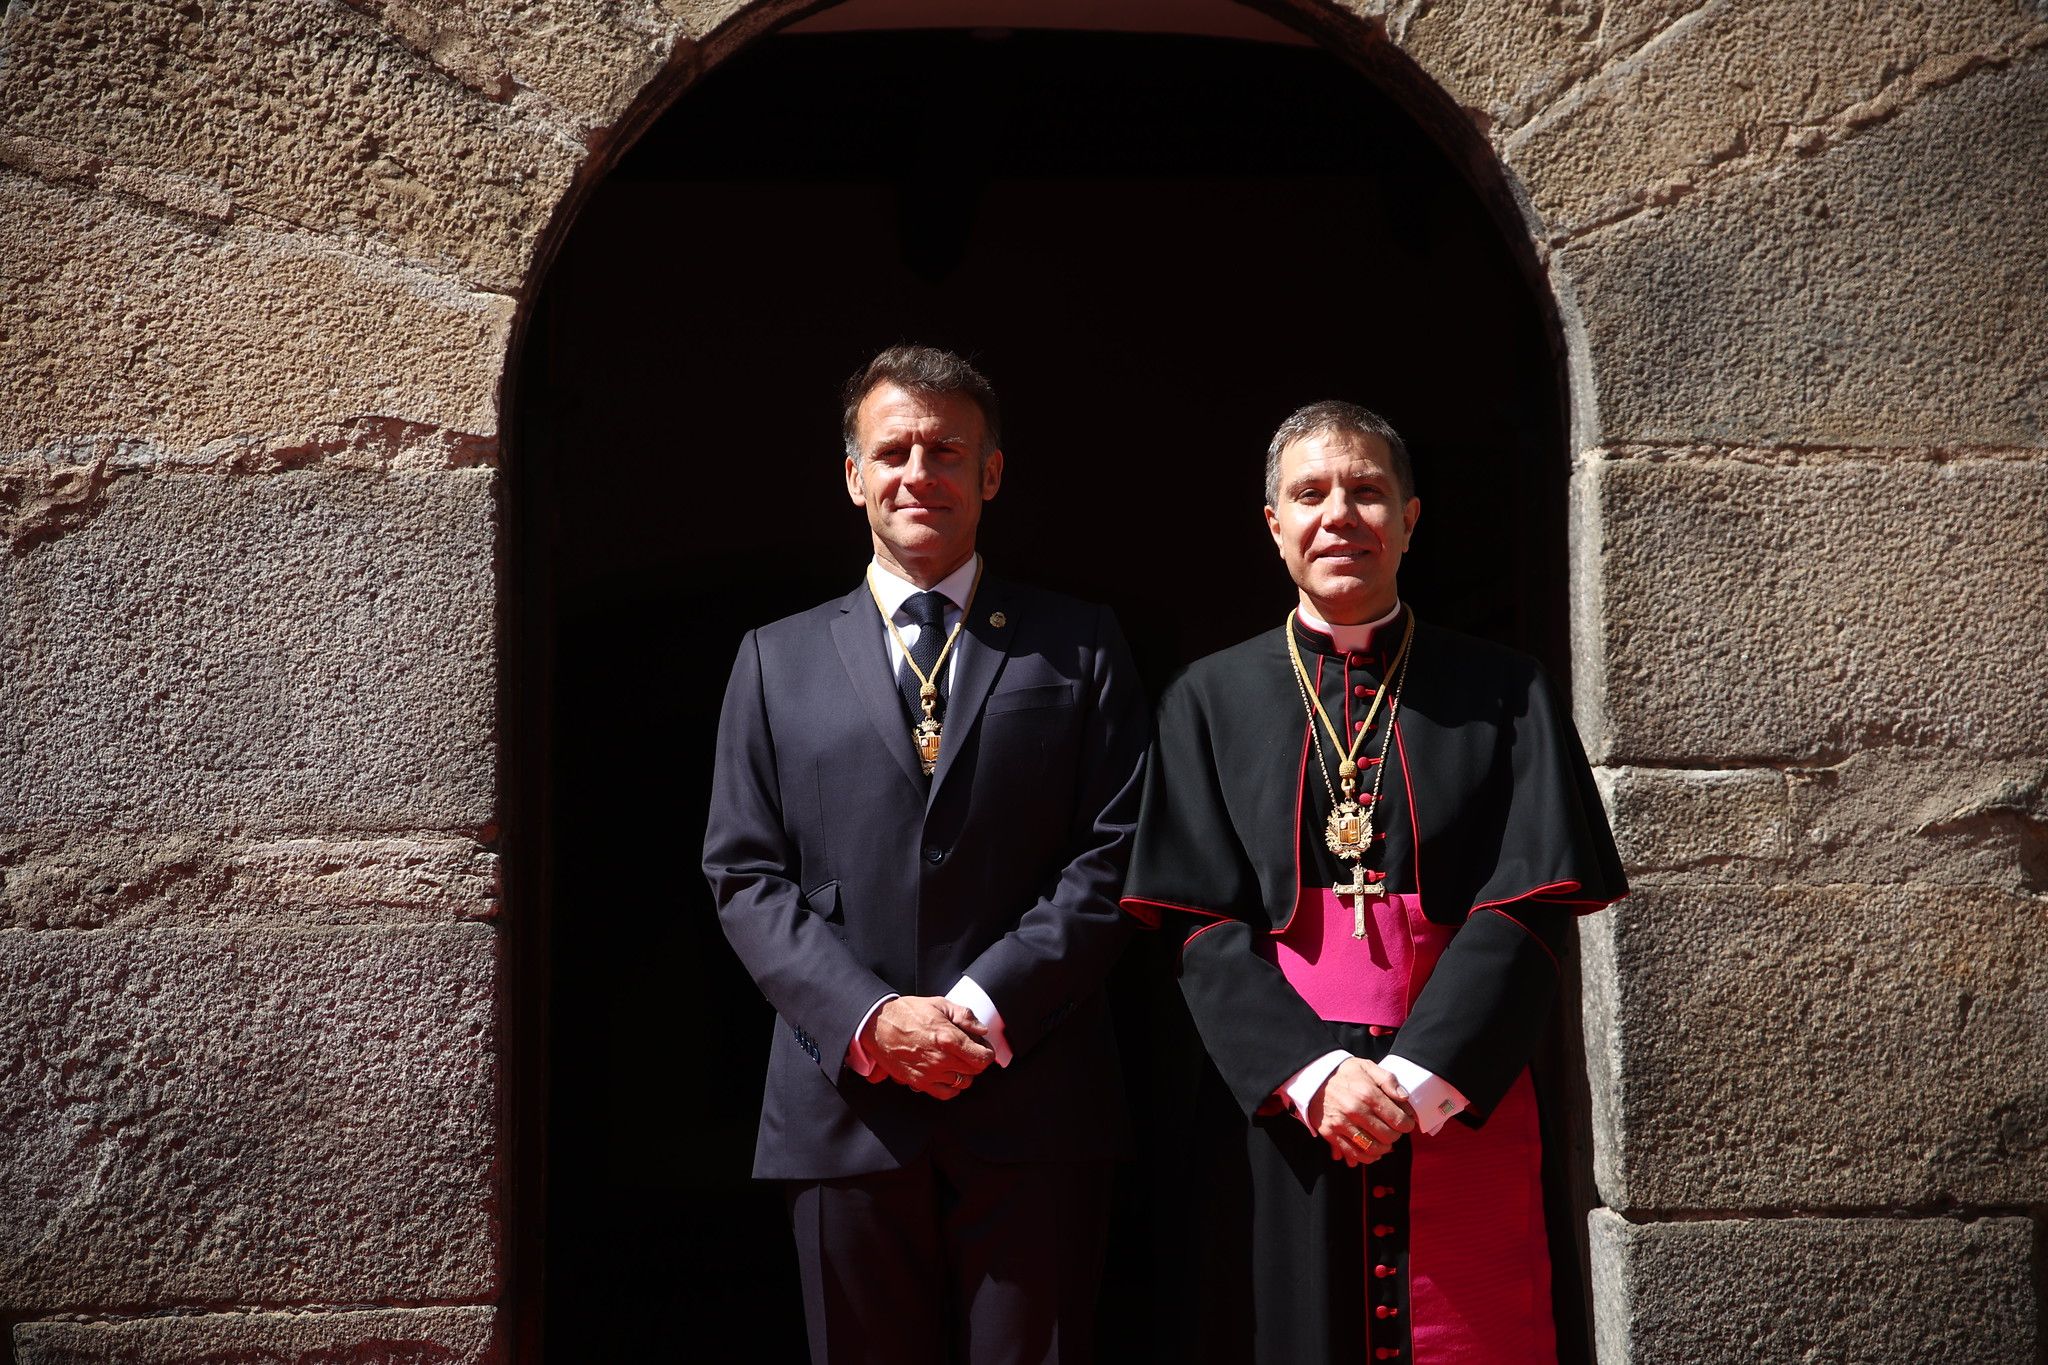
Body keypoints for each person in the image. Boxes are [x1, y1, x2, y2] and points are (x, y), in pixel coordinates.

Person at [1120, 401, 1626, 1364]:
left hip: (1455, 1087)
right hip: (1285, 1101)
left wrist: (1416, 1075)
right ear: (1274, 524)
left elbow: (1530, 903)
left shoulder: (1506, 689)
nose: (1339, 515)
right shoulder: (1206, 698)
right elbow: (1198, 923)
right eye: (1310, 493)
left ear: (1409, 518)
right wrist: (1315, 1076)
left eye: (1367, 491)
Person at [702, 345, 1148, 1365]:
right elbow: (742, 873)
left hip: (1035, 1098)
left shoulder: (1080, 644)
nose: (918, 473)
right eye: (893, 451)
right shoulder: (773, 659)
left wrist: (981, 1008)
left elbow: (1115, 851)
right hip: (842, 1101)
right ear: (852, 474)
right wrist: (871, 1018)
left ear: (990, 473)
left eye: (945, 451)